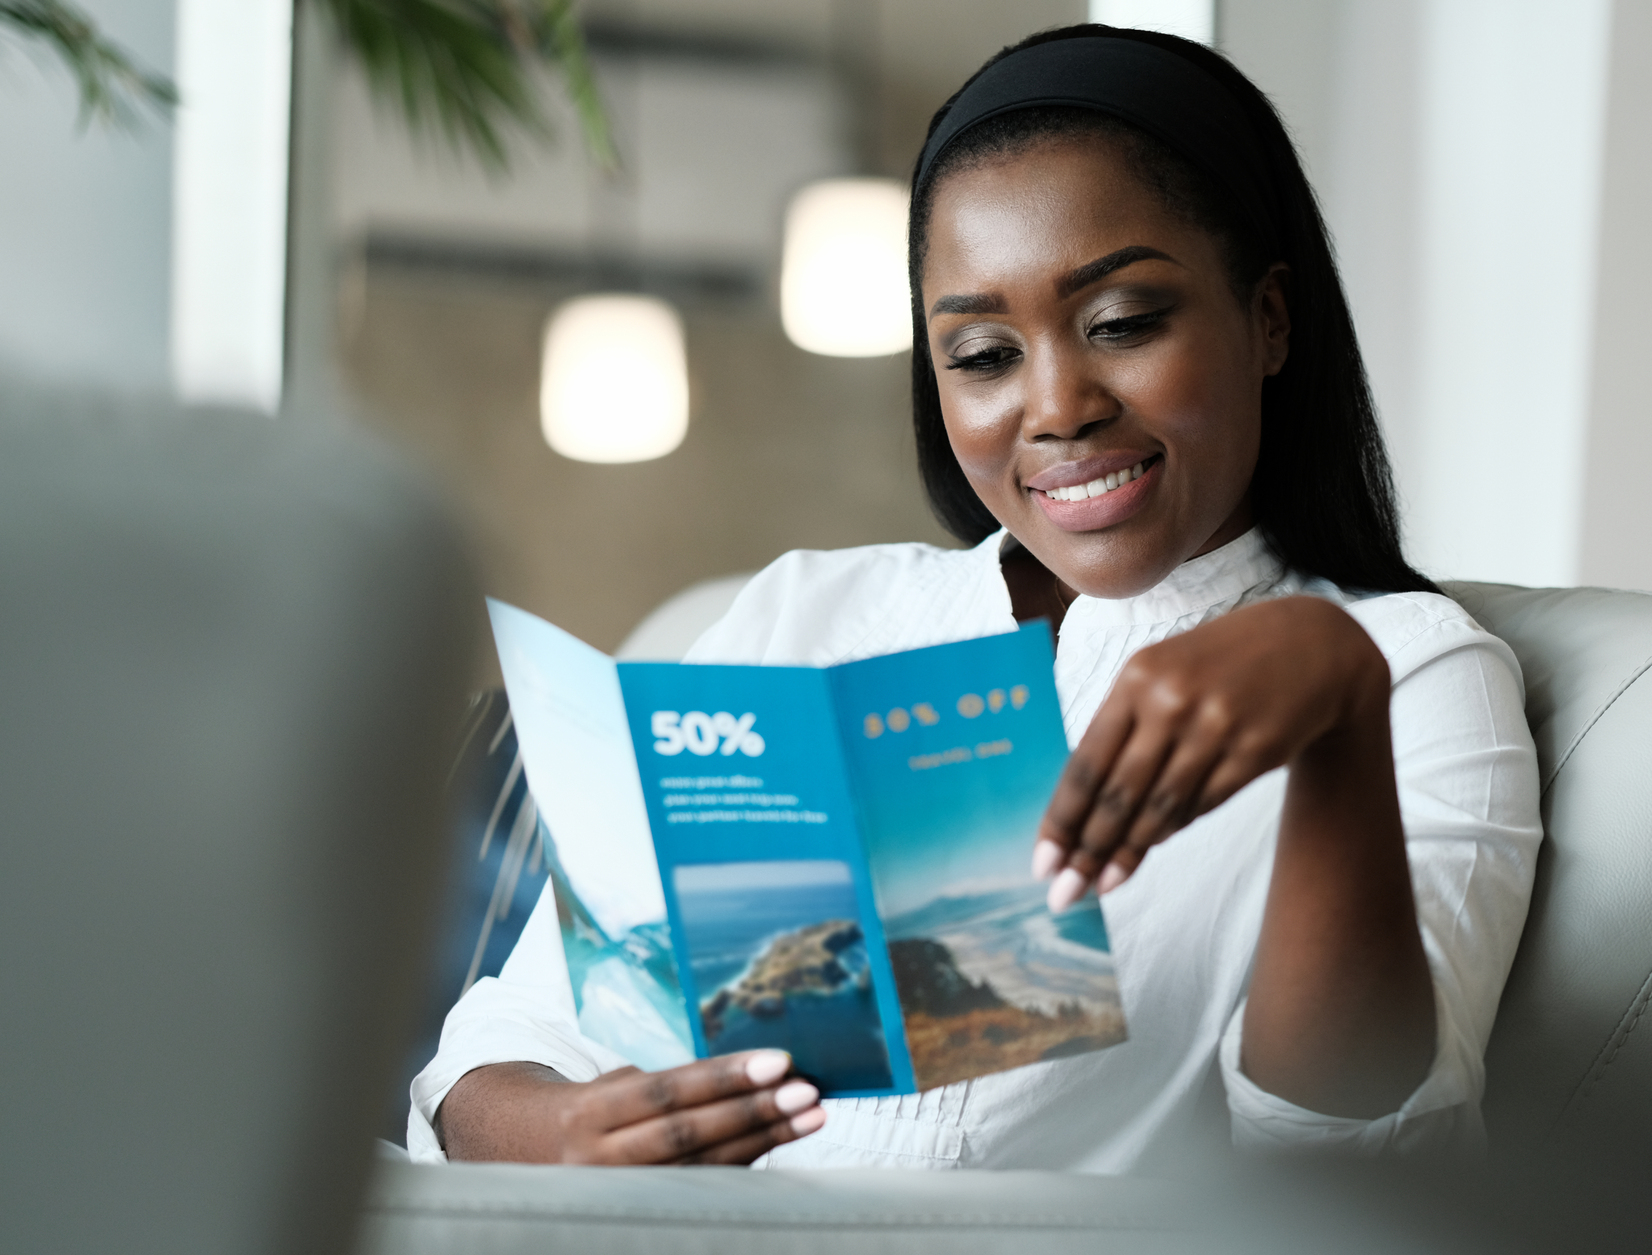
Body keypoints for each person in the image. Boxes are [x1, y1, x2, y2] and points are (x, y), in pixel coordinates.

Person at [412, 25, 1542, 1171]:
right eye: (984, 353)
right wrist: (556, 1131)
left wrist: (1333, 710)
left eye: (1121, 323)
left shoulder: (1404, 671)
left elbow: (1355, 1165)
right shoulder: (807, 614)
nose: (1056, 407)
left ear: (1268, 319)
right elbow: (510, 1035)